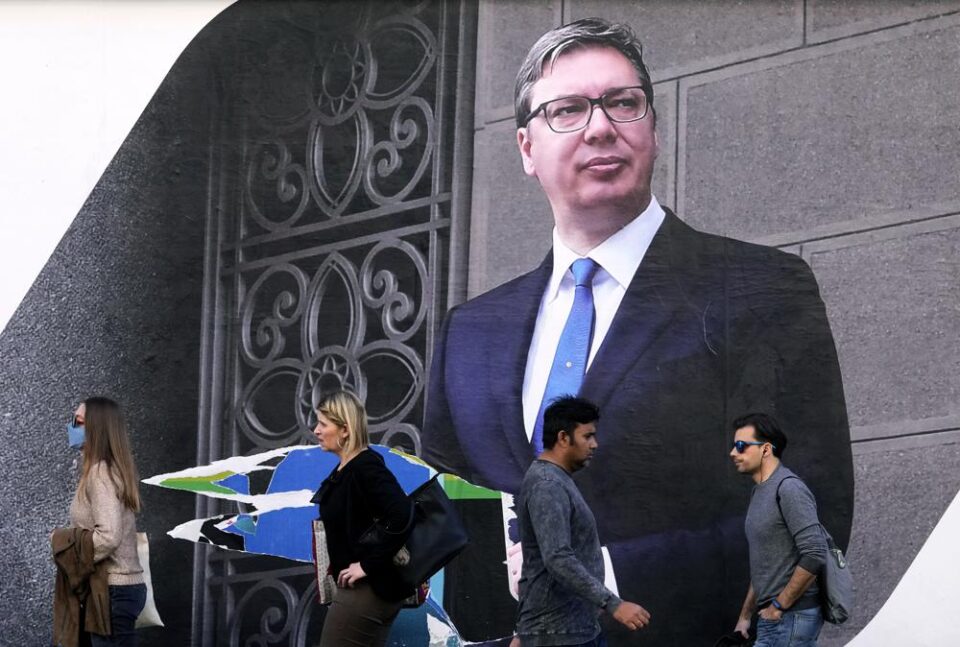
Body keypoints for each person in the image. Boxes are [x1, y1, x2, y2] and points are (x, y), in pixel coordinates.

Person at [422, 17, 853, 644]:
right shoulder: (471, 333)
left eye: (623, 103)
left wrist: (606, 576)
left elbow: (807, 513)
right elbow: (440, 519)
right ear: (526, 148)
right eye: (567, 110)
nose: (601, 126)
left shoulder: (759, 287)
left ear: (652, 128)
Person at [511, 396, 649, 647]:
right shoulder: (548, 485)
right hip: (559, 635)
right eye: (588, 436)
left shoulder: (555, 479)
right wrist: (613, 604)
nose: (595, 444)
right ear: (563, 438)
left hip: (570, 630)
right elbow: (557, 558)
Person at [310, 390, 414, 647]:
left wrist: (367, 565)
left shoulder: (365, 466)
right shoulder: (348, 468)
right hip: (365, 591)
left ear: (345, 430)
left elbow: (402, 513)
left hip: (366, 591)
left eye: (323, 424)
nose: (316, 431)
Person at [53, 397, 146, 647]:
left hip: (112, 591)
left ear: (97, 427)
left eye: (78, 421)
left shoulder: (100, 473)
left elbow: (109, 535)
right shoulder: (106, 469)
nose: (72, 426)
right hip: (116, 590)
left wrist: (67, 547)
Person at [730, 413, 828, 646]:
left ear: (765, 449)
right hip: (777, 619)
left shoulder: (789, 488)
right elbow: (765, 566)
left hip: (790, 617)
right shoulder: (760, 492)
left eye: (741, 446)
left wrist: (778, 606)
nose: (733, 453)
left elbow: (815, 552)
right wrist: (745, 616)